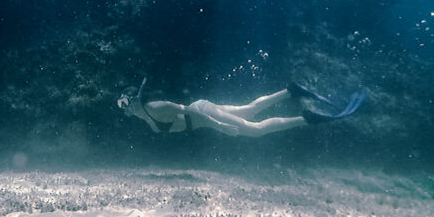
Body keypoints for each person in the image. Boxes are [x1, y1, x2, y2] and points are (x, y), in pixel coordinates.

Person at [116, 78, 365, 137]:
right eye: (121, 106)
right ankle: (291, 91)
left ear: (135, 99)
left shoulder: (156, 107)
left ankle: (306, 118)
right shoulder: (144, 114)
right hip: (203, 111)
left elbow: (191, 112)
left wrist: (220, 126)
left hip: (203, 112)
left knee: (253, 129)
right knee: (249, 110)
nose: (123, 109)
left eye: (124, 103)